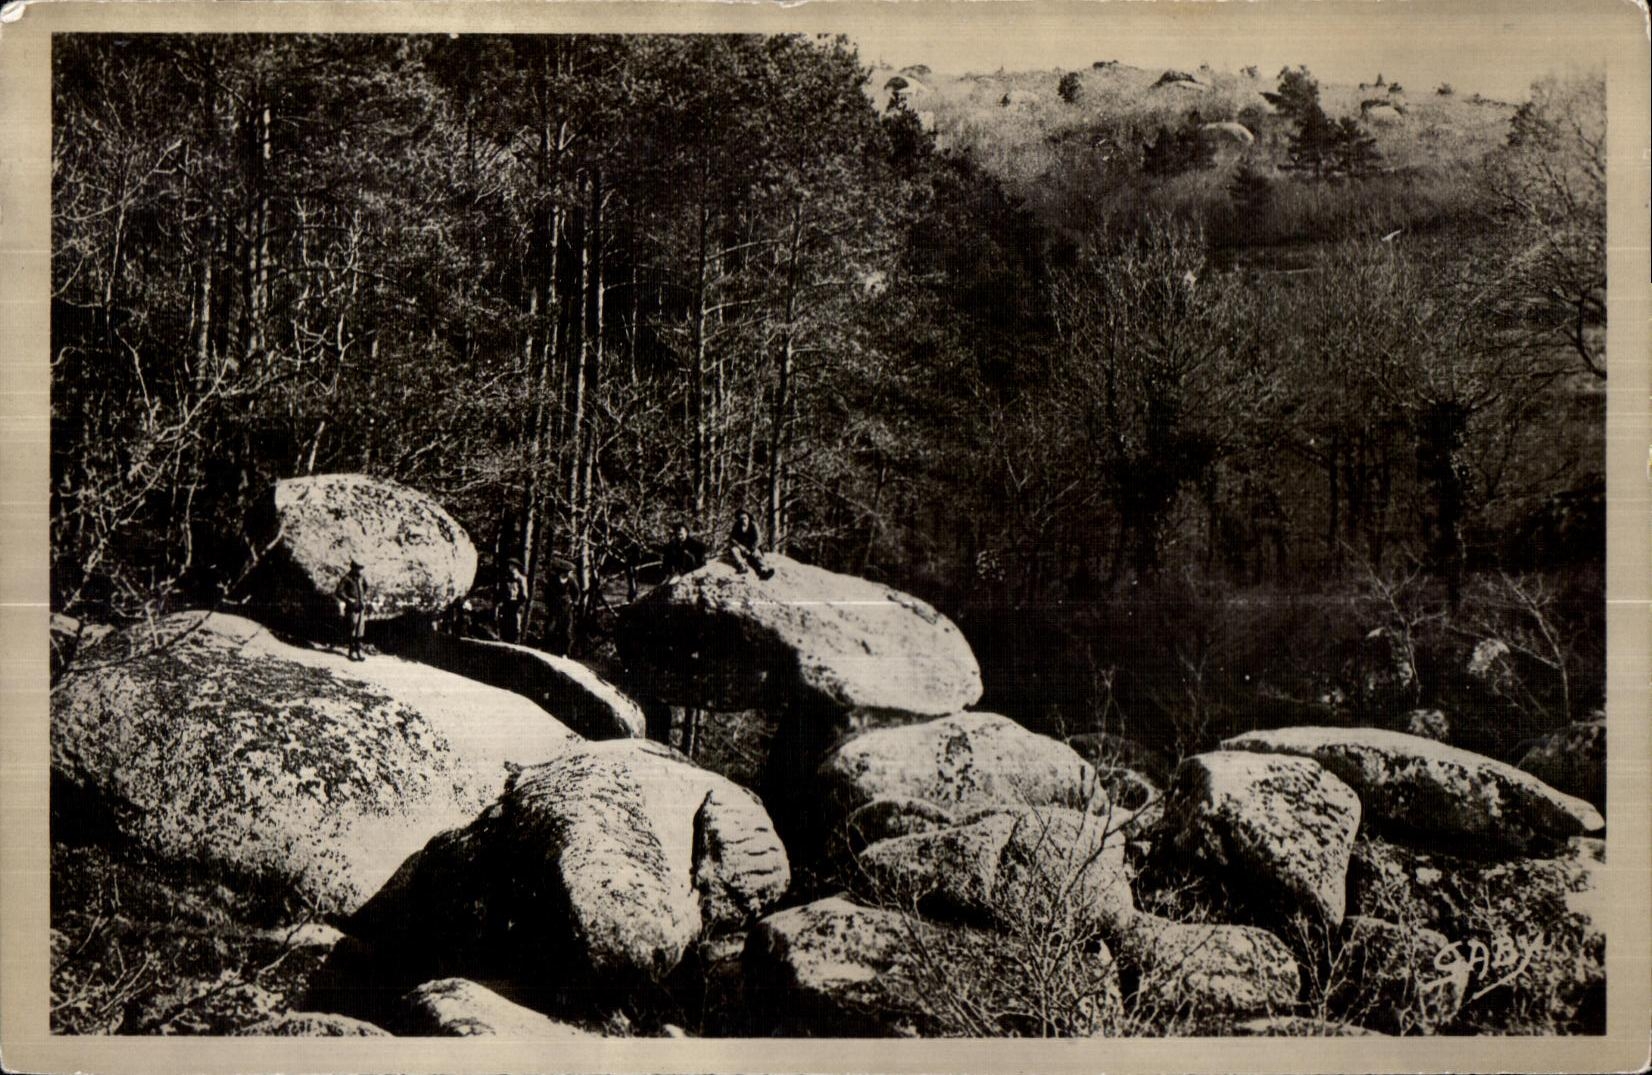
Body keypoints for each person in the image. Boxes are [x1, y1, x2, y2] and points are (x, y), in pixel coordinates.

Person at [543, 557, 580, 656]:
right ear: (563, 572)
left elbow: (576, 593)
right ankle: (547, 649)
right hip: (554, 607)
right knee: (551, 628)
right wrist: (548, 604)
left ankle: (565, 652)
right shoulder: (553, 580)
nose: (570, 573)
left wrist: (573, 602)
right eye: (568, 572)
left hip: (566, 608)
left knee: (566, 630)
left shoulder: (571, 581)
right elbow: (547, 593)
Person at [333, 559, 368, 661]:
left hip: (360, 608)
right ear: (353, 568)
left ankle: (358, 652)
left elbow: (366, 587)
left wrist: (362, 598)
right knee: (351, 629)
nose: (360, 571)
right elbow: (338, 592)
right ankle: (351, 652)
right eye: (358, 568)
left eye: (361, 568)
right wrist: (348, 599)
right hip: (352, 608)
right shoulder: (347, 578)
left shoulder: (361, 578)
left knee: (360, 631)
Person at [728, 509, 775, 580]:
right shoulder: (736, 526)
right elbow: (732, 539)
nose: (743, 521)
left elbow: (758, 539)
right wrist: (742, 548)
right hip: (742, 549)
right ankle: (742, 566)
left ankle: (763, 570)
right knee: (734, 550)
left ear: (748, 518)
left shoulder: (753, 525)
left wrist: (750, 549)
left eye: (745, 518)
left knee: (756, 554)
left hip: (752, 548)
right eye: (741, 519)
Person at [497, 558, 529, 644]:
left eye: (512, 566)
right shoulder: (507, 578)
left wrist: (519, 603)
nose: (509, 567)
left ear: (516, 567)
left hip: (516, 604)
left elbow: (524, 594)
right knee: (504, 622)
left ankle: (515, 640)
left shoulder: (521, 579)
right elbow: (503, 590)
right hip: (507, 603)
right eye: (509, 565)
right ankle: (505, 639)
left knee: (515, 623)